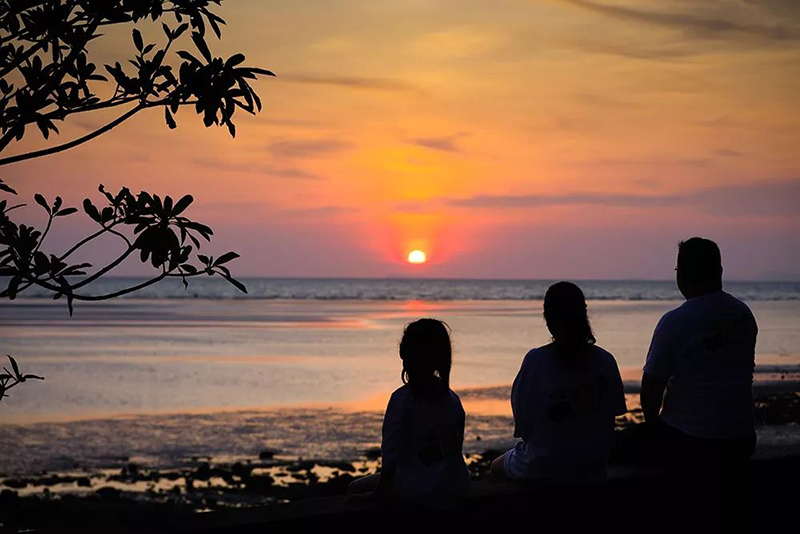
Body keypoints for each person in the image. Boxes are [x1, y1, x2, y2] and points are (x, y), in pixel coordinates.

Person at [635, 237, 758, 464]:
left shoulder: (677, 321)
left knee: (612, 448)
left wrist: (653, 430)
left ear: (681, 275)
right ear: (719, 271)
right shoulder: (743, 314)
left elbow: (651, 387)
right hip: (742, 437)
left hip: (690, 439)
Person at [492, 281, 627, 480]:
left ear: (547, 320)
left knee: (495, 467)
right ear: (584, 313)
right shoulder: (605, 361)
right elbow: (612, 417)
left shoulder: (536, 362)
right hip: (593, 465)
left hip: (545, 466)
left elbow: (523, 428)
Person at [348, 318, 471, 506]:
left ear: (404, 354)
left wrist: (379, 494)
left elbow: (390, 459)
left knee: (355, 487)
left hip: (417, 492)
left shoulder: (401, 401)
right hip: (456, 487)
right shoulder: (452, 400)